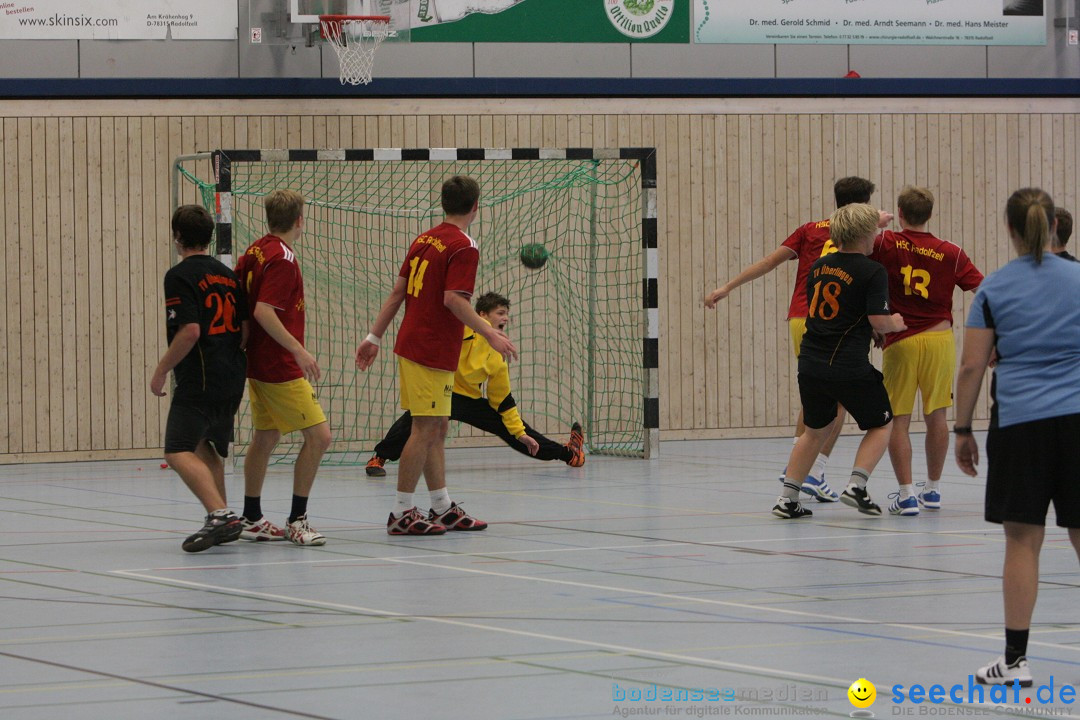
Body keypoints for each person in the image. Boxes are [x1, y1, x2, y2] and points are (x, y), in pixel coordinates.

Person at [955, 187, 1080, 688]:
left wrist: (961, 429)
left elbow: (971, 367)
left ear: (1010, 229)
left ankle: (1014, 662)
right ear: (1055, 225)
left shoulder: (994, 289)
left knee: (1023, 542)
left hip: (1022, 425)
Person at [705, 177, 887, 504]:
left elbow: (768, 262)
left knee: (818, 391)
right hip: (835, 318)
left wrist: (728, 286)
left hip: (802, 317)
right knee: (839, 394)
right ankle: (813, 470)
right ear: (866, 205)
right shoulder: (868, 232)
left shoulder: (810, 229)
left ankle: (799, 472)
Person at [356, 175, 518, 536]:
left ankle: (442, 507)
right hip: (428, 347)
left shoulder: (424, 238)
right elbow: (453, 299)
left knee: (437, 427)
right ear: (476, 206)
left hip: (422, 346)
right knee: (425, 428)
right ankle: (401, 512)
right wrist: (490, 332)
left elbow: (398, 292)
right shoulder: (464, 246)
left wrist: (373, 336)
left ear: (444, 203)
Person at [772, 203, 906, 519]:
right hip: (846, 364)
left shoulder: (819, 267)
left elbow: (839, 309)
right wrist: (893, 324)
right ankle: (857, 485)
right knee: (882, 422)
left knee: (815, 430)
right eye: (874, 230)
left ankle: (787, 498)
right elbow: (879, 318)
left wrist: (867, 327)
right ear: (864, 235)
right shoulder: (873, 271)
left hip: (811, 362)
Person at [365, 291, 584, 477]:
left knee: (516, 431)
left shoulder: (498, 353)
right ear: (481, 315)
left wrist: (519, 433)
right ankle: (379, 458)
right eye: (500, 313)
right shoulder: (461, 330)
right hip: (442, 391)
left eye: (506, 314)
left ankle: (569, 454)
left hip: (469, 400)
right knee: (413, 420)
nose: (505, 318)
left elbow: (503, 401)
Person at [870, 186, 983, 515]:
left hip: (901, 339)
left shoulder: (885, 242)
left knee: (899, 421)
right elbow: (983, 289)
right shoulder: (952, 252)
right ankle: (932, 489)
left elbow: (848, 236)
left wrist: (877, 223)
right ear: (930, 214)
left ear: (900, 213)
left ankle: (906, 495)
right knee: (937, 417)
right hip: (939, 340)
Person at [233, 189, 331, 546]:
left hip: (256, 362)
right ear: (300, 220)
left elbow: (241, 303)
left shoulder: (255, 250)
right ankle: (297, 520)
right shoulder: (283, 259)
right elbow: (262, 310)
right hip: (277, 364)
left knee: (266, 436)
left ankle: (252, 516)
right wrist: (299, 350)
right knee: (319, 437)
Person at [150, 205, 248, 552]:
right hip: (233, 374)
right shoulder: (229, 275)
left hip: (201, 376)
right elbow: (246, 329)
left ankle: (220, 515)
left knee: (176, 450)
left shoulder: (178, 276)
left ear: (177, 236)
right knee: (204, 446)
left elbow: (190, 330)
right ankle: (225, 520)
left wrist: (162, 370)